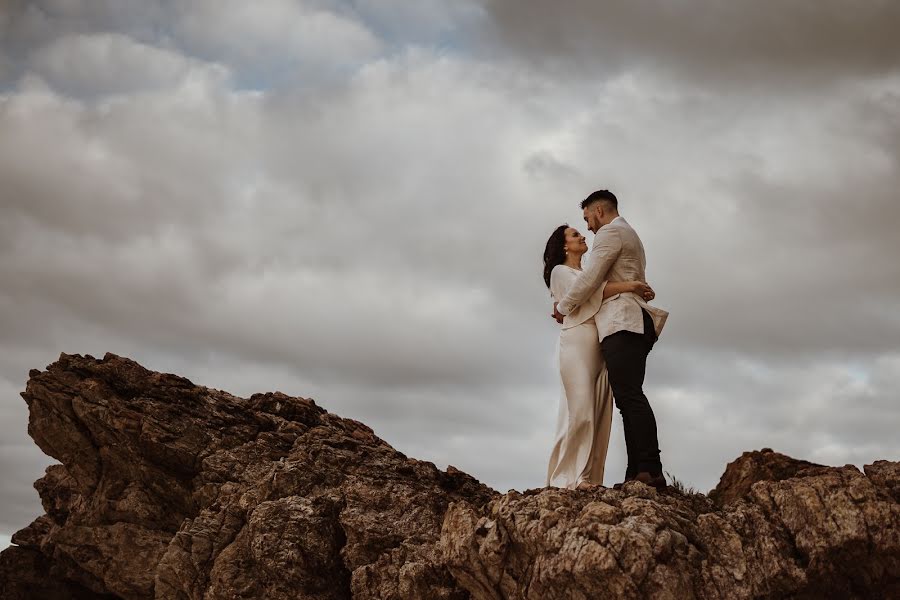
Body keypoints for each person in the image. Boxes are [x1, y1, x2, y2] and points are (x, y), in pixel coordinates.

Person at [553, 190, 669, 489]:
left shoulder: (610, 233)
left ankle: (650, 469)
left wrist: (563, 308)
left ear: (600, 211)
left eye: (588, 219)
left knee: (629, 396)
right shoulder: (629, 233)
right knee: (627, 396)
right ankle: (637, 472)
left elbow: (591, 279)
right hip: (632, 320)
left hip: (623, 320)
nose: (589, 227)